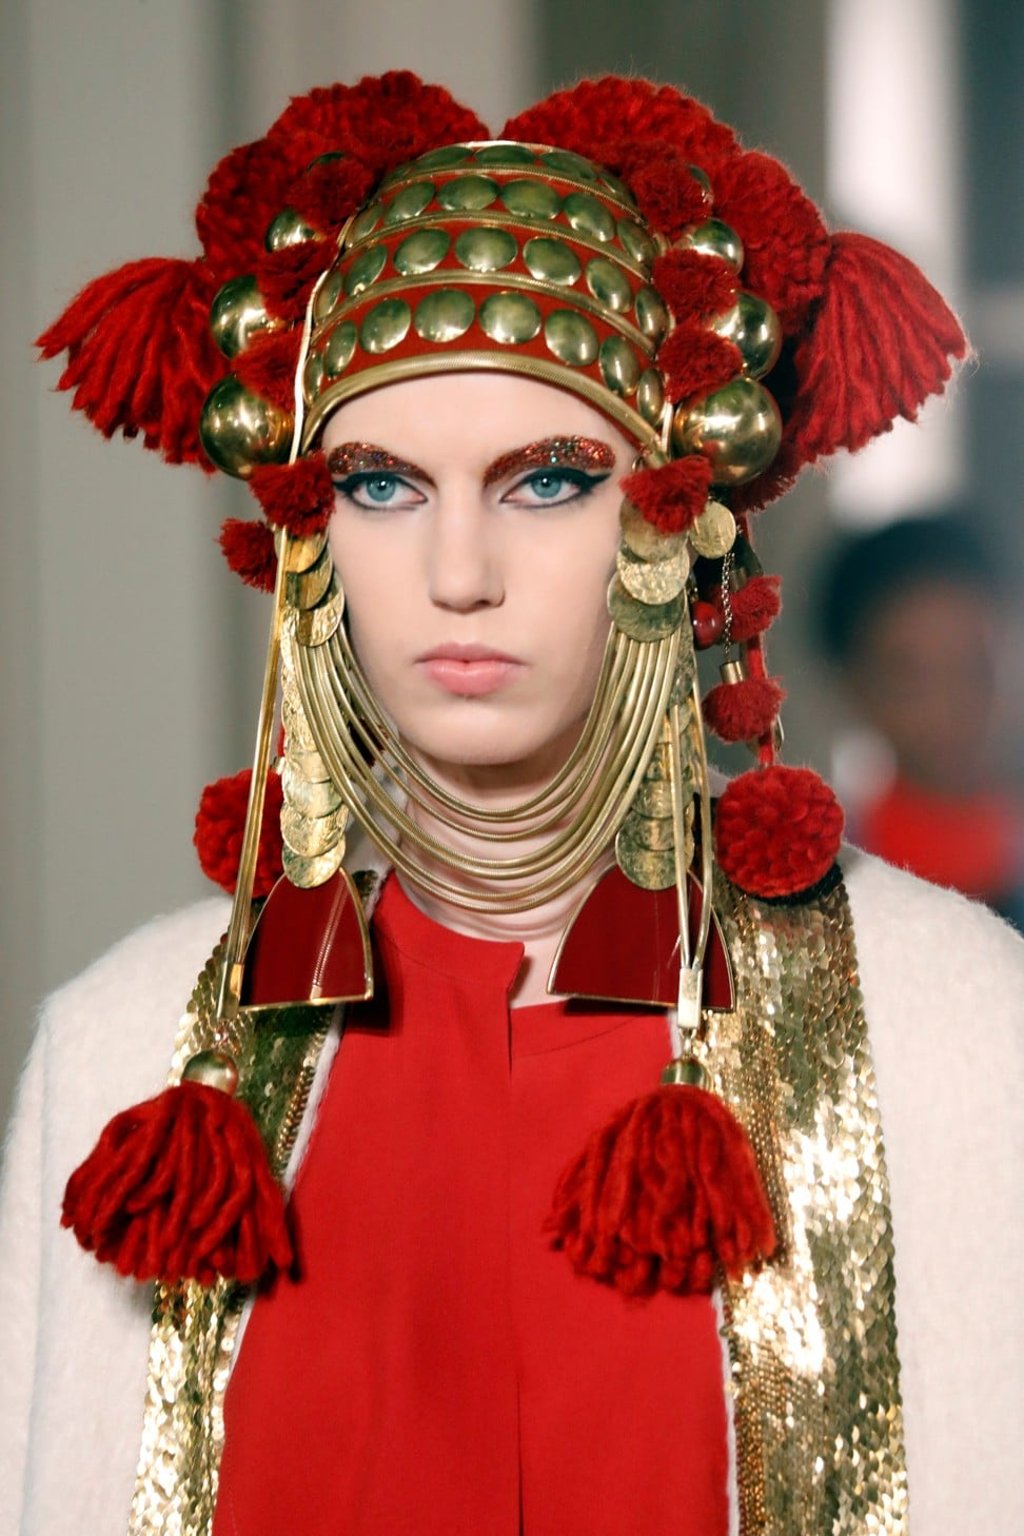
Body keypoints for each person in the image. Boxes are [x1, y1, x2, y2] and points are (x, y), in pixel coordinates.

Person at [2, 71, 1022, 1536]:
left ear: (675, 513)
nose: (457, 567)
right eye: (382, 484)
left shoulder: (955, 1026)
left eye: (547, 480)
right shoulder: (122, 1044)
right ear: (308, 535)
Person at [818, 514, 1024, 929]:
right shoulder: (834, 887)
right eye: (912, 677)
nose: (950, 703)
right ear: (856, 685)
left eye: (974, 666)